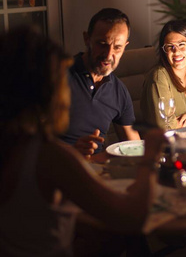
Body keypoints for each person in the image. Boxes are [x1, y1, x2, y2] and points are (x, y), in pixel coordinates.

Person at [0, 26, 166, 256]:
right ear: (44, 92)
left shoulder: (12, 145)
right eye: (60, 81)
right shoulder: (49, 156)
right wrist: (151, 155)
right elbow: (132, 218)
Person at [60, 8, 140, 158]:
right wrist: (72, 151)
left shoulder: (119, 91)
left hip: (97, 171)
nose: (109, 54)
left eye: (117, 47)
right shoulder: (58, 77)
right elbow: (28, 140)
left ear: (125, 47)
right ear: (87, 39)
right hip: (56, 170)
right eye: (102, 44)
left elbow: (134, 147)